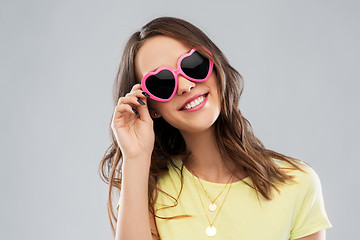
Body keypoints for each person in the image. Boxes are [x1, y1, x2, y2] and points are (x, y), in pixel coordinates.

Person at [99, 17, 332, 240]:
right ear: (151, 107)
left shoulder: (297, 183)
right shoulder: (146, 191)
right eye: (162, 82)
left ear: (214, 65)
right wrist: (136, 157)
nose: (186, 85)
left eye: (193, 65)